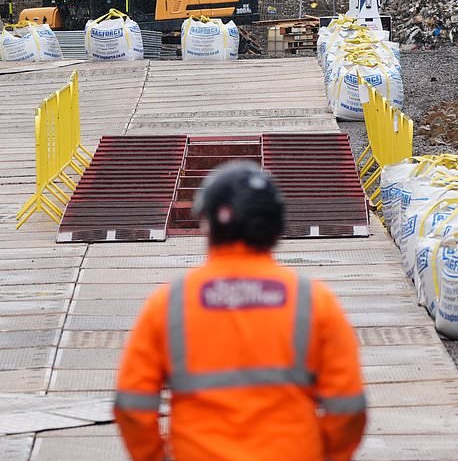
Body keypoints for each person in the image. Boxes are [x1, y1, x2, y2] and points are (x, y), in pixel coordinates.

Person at [114, 161, 367, 461]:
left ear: (208, 224)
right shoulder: (313, 301)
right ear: (275, 226)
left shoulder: (169, 304)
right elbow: (348, 409)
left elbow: (132, 406)